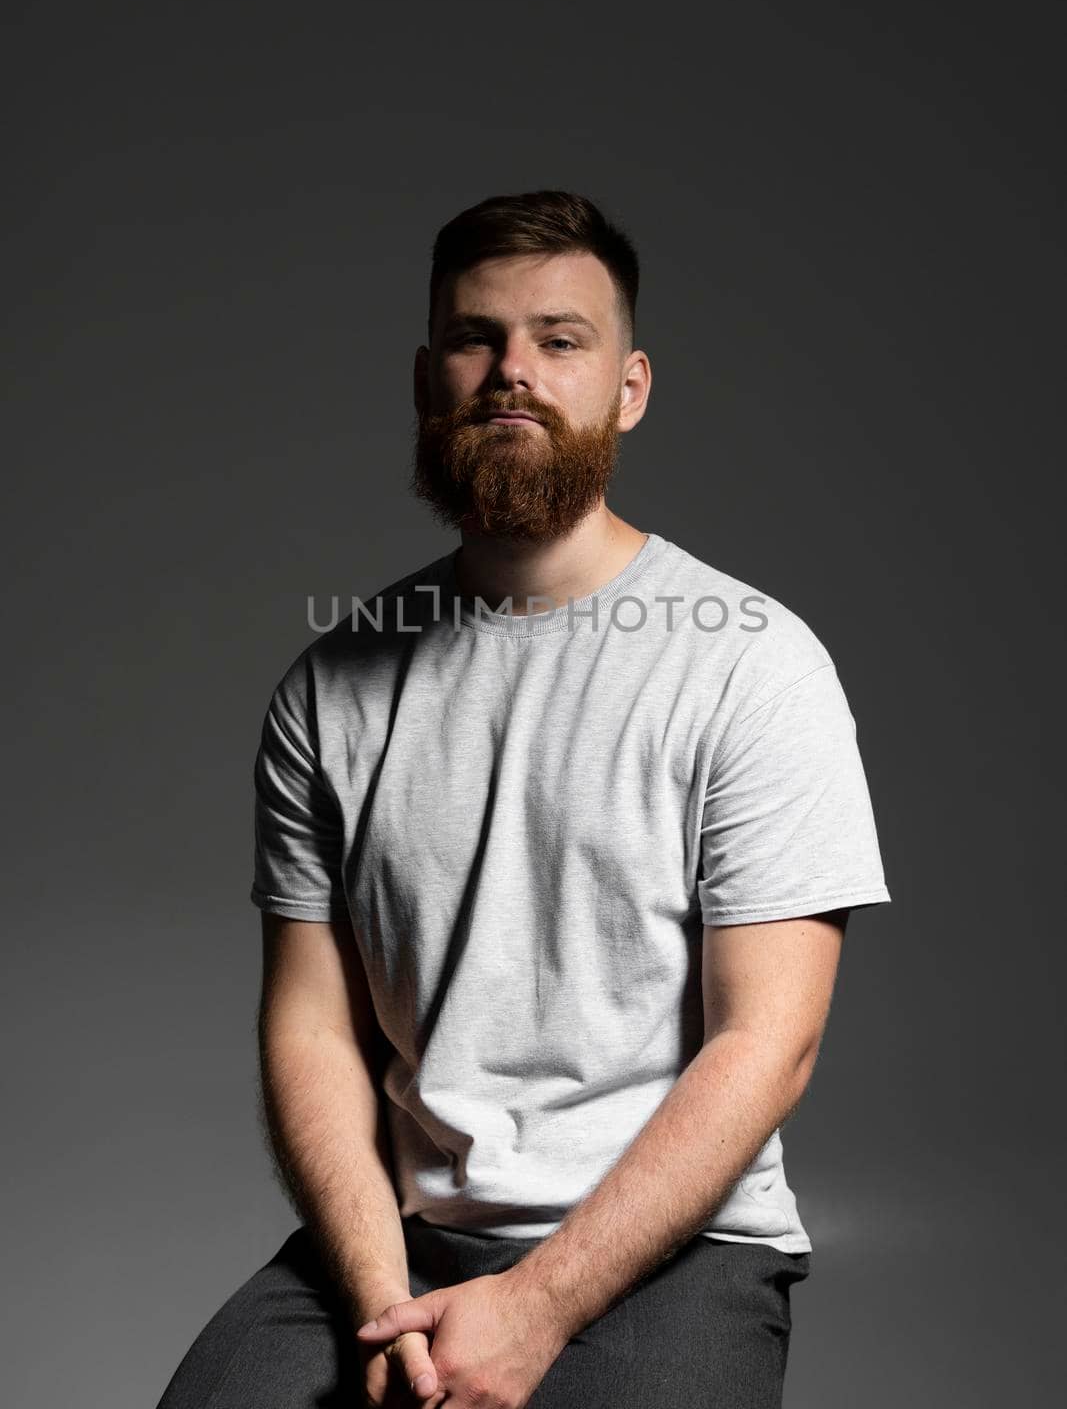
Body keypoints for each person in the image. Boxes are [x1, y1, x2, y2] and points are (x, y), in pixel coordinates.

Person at [154, 189, 891, 1409]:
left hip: (676, 1248)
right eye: (474, 337)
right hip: (408, 1239)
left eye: (559, 339)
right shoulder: (331, 687)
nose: (512, 373)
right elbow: (312, 1029)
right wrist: (381, 1292)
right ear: (423, 378)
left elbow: (768, 1039)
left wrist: (538, 1303)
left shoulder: (752, 663)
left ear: (629, 388)